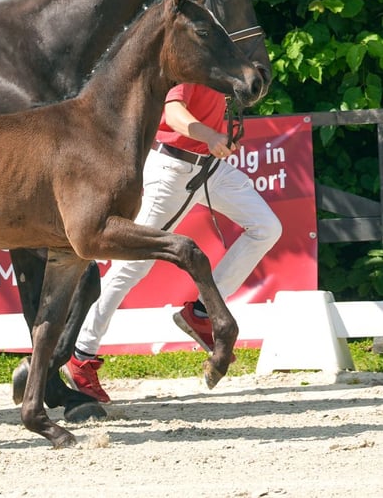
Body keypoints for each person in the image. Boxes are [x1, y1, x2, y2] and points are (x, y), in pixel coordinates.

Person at [62, 82, 282, 403]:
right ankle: (81, 354)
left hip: (209, 167)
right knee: (131, 268)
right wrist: (210, 135)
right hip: (173, 169)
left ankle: (203, 313)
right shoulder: (190, 59)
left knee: (266, 227)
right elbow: (173, 111)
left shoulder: (222, 60)